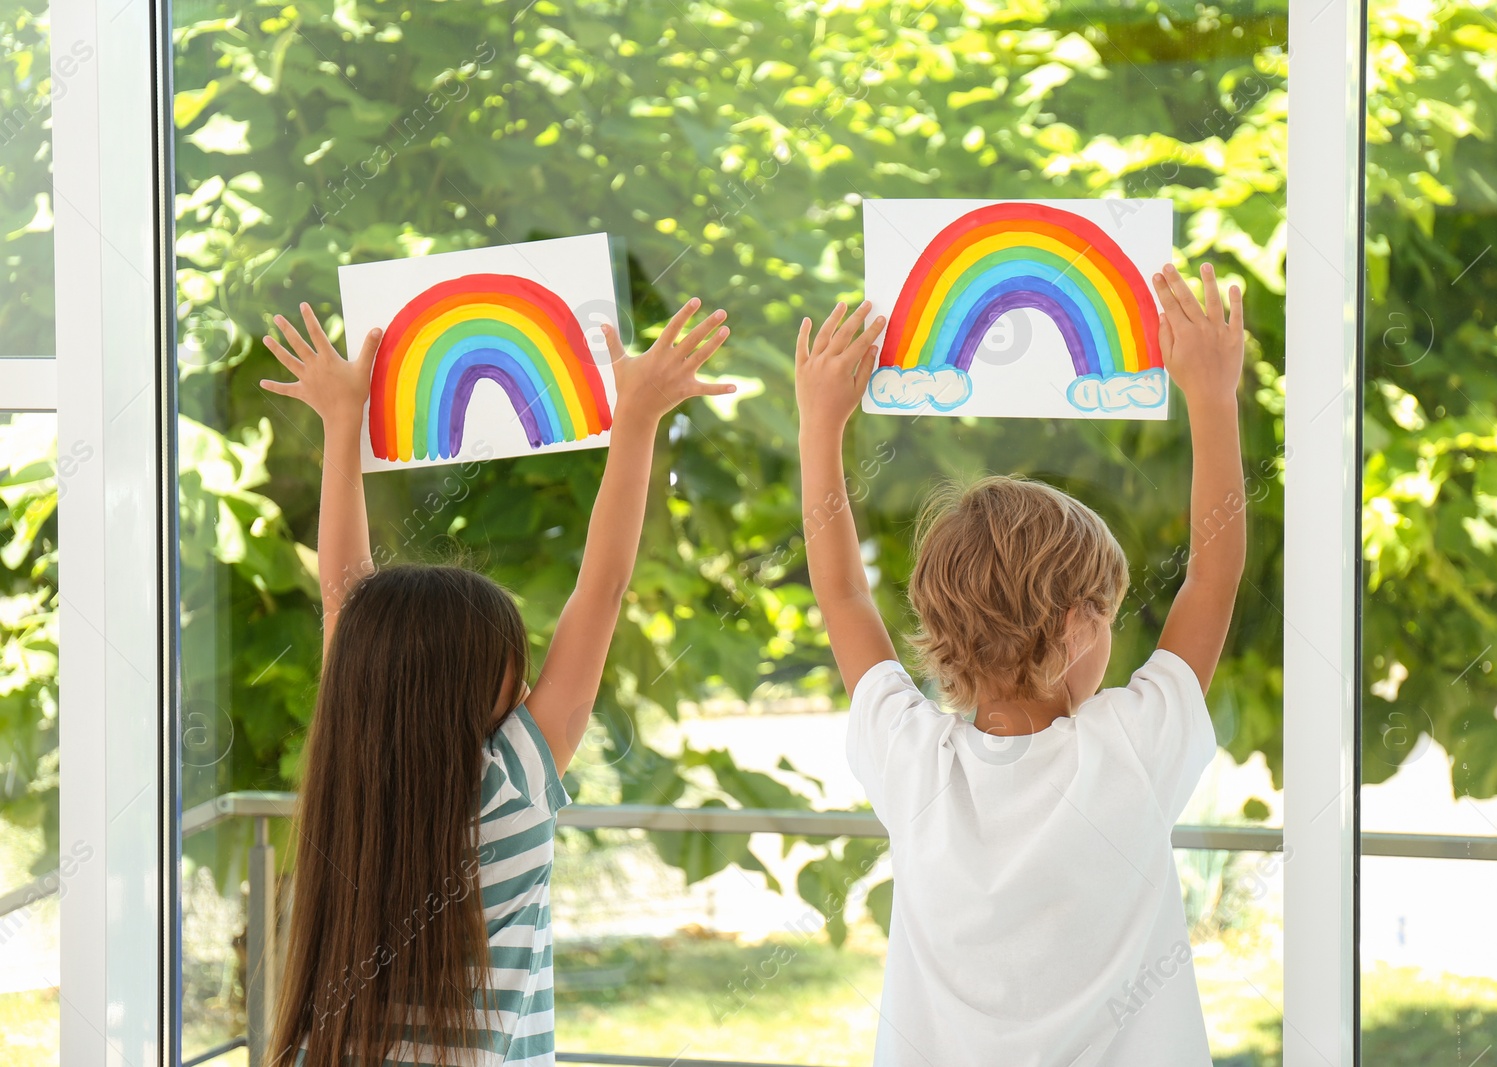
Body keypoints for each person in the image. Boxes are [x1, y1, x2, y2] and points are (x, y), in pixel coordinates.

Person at [260, 297, 735, 1067]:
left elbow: (345, 599)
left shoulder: (354, 775)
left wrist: (342, 420)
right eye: (513, 663)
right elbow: (602, 587)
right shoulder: (508, 790)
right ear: (474, 688)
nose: (525, 682)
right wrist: (638, 418)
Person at [794, 263, 1247, 1066]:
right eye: (1107, 611)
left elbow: (842, 596)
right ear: (1077, 628)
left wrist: (819, 424)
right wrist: (1212, 396)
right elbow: (1213, 577)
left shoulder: (914, 759)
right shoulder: (1130, 749)